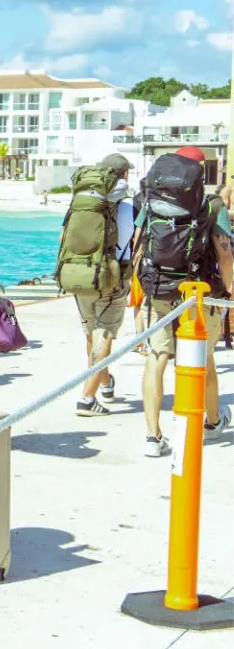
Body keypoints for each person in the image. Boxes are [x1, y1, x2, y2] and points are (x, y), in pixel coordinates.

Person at [135, 145, 233, 457]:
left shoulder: (152, 200)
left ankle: (153, 436)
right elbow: (225, 252)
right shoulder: (212, 204)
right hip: (198, 291)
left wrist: (139, 286)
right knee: (203, 358)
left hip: (160, 287)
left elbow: (139, 246)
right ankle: (213, 421)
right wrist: (229, 290)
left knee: (157, 356)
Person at [72, 154, 136, 416]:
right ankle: (87, 399)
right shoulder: (128, 207)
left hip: (80, 274)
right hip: (111, 277)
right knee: (105, 334)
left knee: (92, 335)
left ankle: (105, 383)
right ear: (124, 176)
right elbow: (132, 242)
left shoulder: (81, 203)